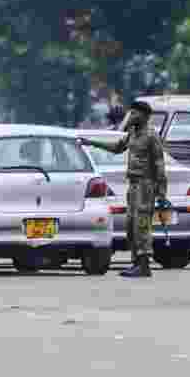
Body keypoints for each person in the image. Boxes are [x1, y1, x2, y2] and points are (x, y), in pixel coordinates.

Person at [77, 101, 167, 278]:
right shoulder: (132, 133)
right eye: (130, 113)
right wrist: (91, 142)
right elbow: (117, 148)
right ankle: (136, 263)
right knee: (131, 225)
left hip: (145, 185)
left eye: (135, 114)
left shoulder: (151, 136)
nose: (131, 116)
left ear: (145, 116)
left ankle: (144, 264)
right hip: (133, 185)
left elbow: (159, 164)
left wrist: (162, 192)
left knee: (142, 224)